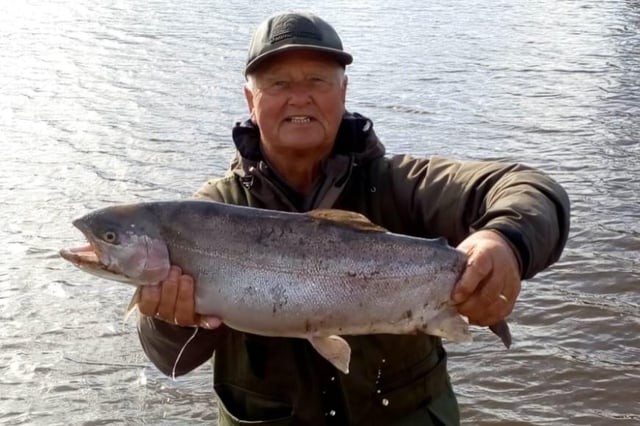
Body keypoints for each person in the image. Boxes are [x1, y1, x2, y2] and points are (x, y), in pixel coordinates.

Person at [136, 12, 570, 426]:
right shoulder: (206, 215)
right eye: (279, 82)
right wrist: (168, 320)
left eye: (317, 81)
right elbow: (169, 361)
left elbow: (532, 189)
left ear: (343, 93)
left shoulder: (401, 185)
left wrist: (505, 242)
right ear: (252, 100)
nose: (299, 96)